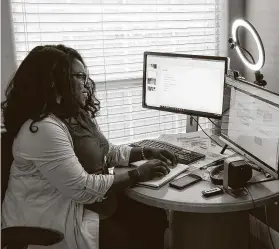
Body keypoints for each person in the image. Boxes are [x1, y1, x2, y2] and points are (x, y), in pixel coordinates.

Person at [1, 44, 178, 249]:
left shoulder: (74, 115)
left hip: (86, 205)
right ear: (55, 82)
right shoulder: (42, 129)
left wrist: (145, 151)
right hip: (48, 223)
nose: (87, 84)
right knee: (133, 233)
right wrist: (137, 174)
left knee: (152, 215)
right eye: (80, 76)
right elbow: (82, 188)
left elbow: (106, 152)